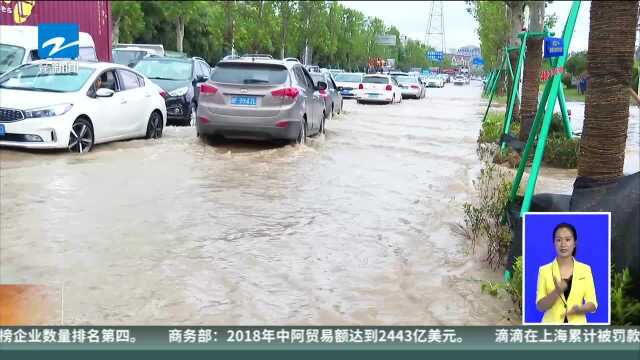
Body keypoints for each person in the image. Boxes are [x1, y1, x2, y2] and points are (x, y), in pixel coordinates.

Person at [535, 223, 597, 324]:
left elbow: (593, 303)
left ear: (574, 243)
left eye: (568, 240)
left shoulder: (585, 269)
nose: (563, 244)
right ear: (554, 243)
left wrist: (580, 309)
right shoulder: (544, 270)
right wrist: (557, 291)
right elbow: (540, 306)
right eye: (559, 240)